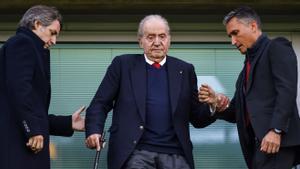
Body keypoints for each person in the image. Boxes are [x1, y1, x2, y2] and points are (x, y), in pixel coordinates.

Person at [85, 14, 218, 169]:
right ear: (140, 41)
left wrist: (212, 105)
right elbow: (100, 103)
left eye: (162, 36)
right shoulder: (122, 65)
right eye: (150, 37)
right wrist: (94, 131)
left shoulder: (185, 69)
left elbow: (197, 118)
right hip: (135, 153)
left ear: (169, 40)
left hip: (176, 154)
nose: (157, 42)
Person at [199, 6, 300, 169]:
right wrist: (216, 102)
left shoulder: (276, 47)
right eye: (230, 36)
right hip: (257, 146)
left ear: (253, 26)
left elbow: (287, 91)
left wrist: (276, 130)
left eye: (235, 33)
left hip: (276, 142)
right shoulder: (244, 71)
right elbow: (236, 113)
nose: (233, 41)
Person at [0, 5, 85, 169]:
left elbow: (33, 109)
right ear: (37, 24)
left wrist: (68, 123)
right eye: (52, 33)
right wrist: (32, 129)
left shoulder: (31, 48)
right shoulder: (21, 44)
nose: (54, 41)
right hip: (19, 149)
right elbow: (19, 90)